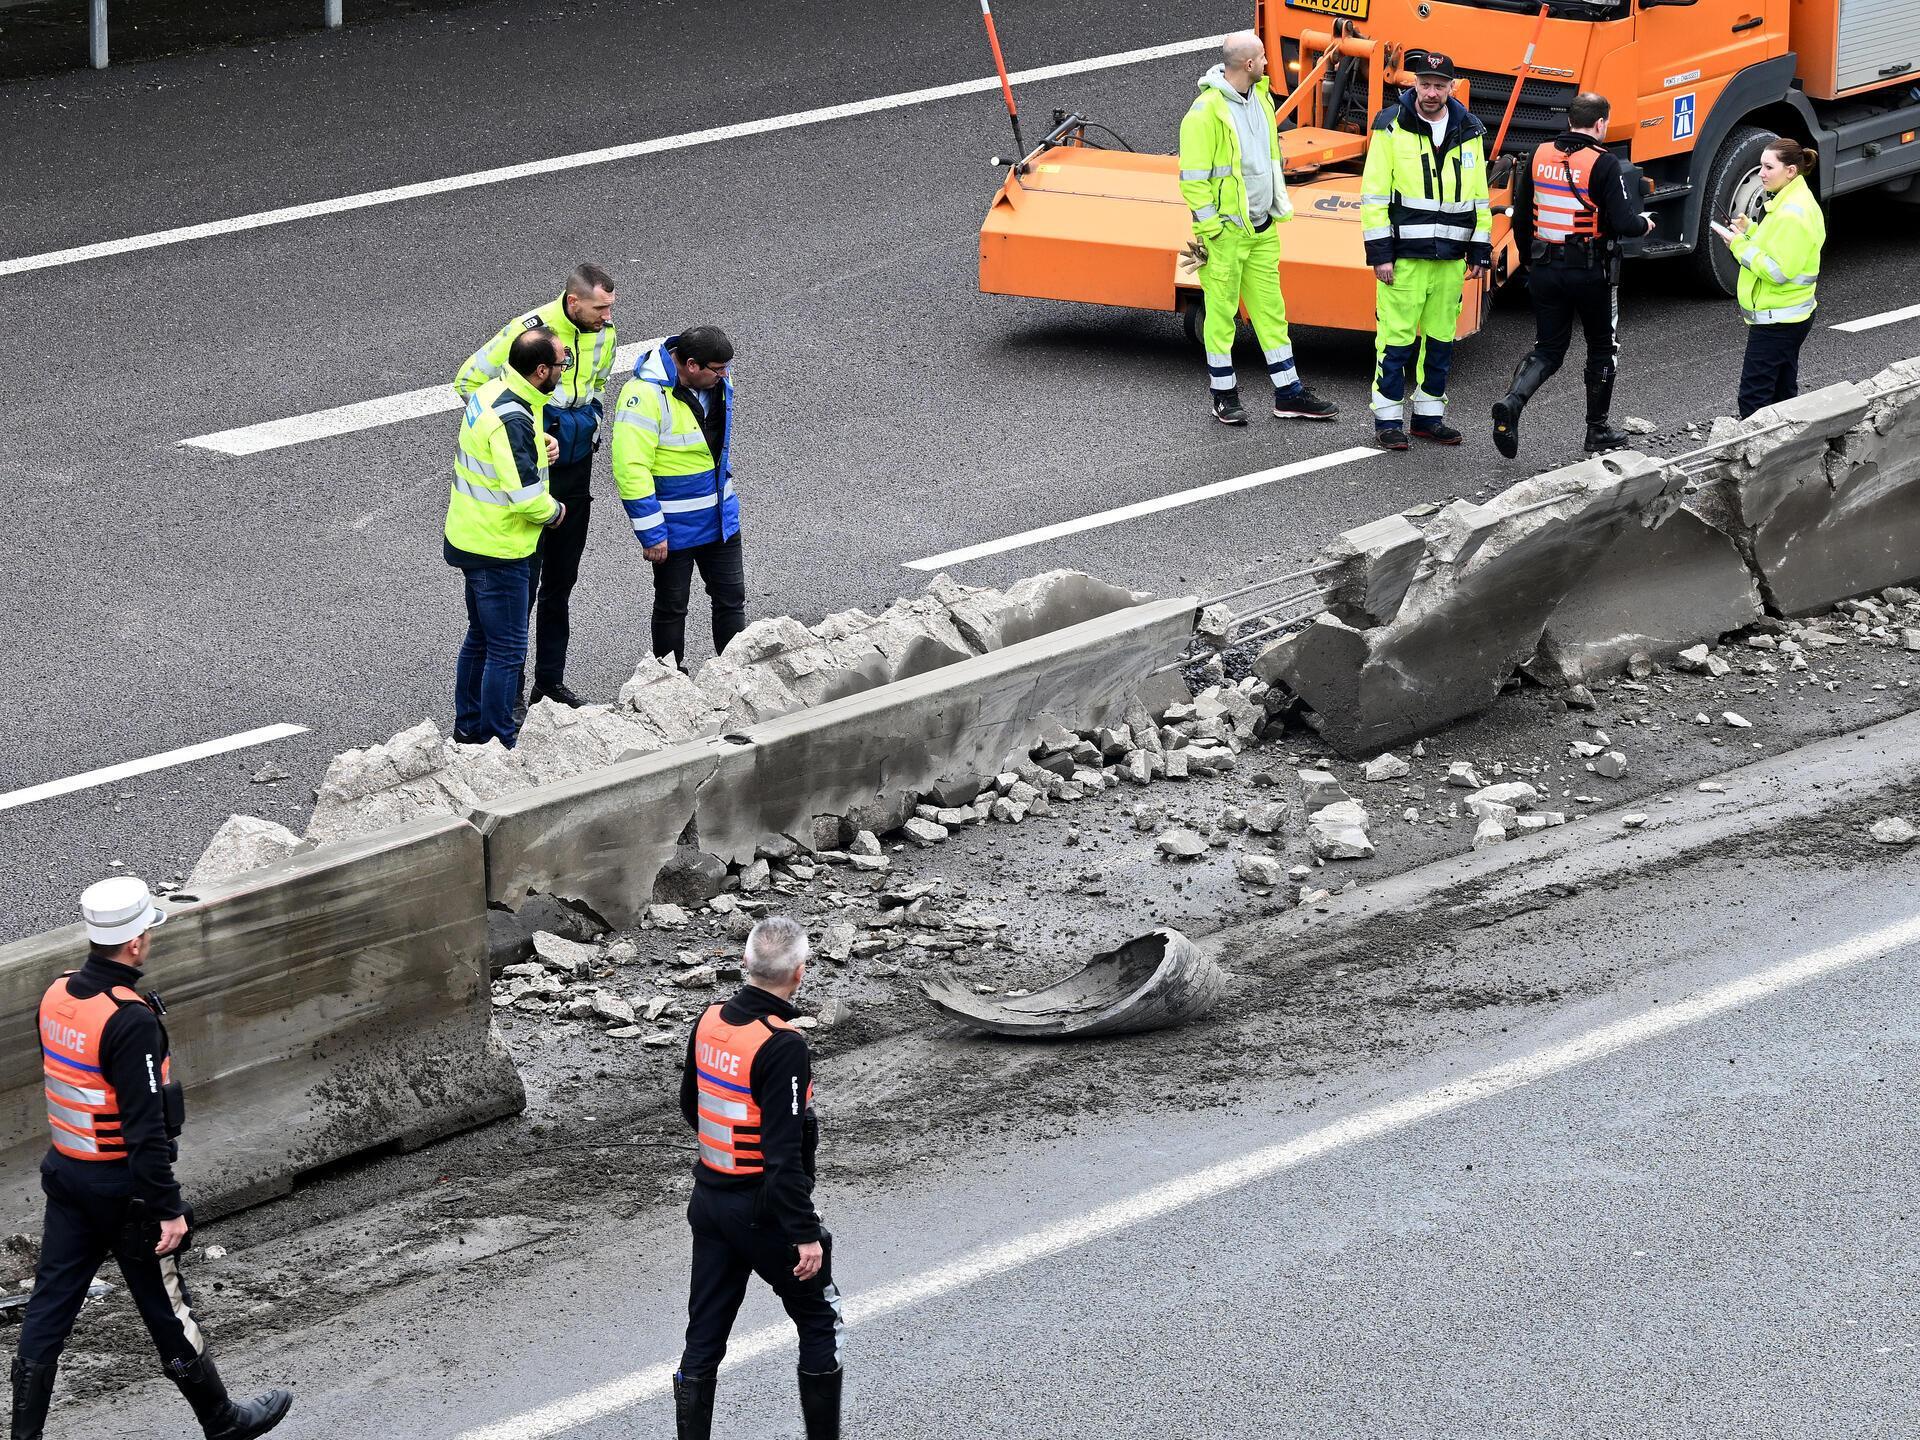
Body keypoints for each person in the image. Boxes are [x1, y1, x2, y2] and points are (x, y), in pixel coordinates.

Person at [11, 878, 292, 1440]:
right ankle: (222, 1421)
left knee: (48, 1309)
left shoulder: (57, 995)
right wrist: (167, 1207)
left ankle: (23, 1436)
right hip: (124, 1190)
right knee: (166, 1308)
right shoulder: (130, 1018)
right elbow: (144, 1129)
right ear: (136, 942)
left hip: (68, 1175)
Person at [674, 917, 843, 1440]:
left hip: (709, 1202)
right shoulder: (782, 1044)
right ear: (800, 973)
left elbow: (691, 1105)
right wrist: (804, 1234)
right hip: (762, 1211)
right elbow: (783, 1155)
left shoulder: (709, 1019)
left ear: (745, 963)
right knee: (819, 1320)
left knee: (703, 1342)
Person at [454, 264, 619, 707]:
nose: (607, 317)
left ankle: (549, 685)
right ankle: (509, 693)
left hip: (576, 469)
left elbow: (599, 384)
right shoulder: (529, 331)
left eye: (610, 308)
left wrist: (593, 423)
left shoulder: (605, 333)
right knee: (522, 587)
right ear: (573, 302)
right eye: (600, 309)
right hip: (535, 470)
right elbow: (468, 380)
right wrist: (524, 434)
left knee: (561, 583)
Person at [1177, 30, 1338, 426]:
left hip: (1262, 229)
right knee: (1221, 316)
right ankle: (1224, 396)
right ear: (1248, 64)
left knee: (1271, 314)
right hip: (1226, 236)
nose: (1268, 63)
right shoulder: (1204, 113)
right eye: (1263, 58)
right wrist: (1213, 231)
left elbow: (1267, 159)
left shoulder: (1262, 97)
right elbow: (1193, 181)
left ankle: (1289, 393)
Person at [1492, 92, 1656, 457]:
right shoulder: (1604, 162)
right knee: (1602, 346)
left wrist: (1530, 261)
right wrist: (1644, 224)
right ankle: (1597, 430)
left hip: (1545, 268)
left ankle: (1513, 402)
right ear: (1600, 123)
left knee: (1548, 349)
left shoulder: (1538, 154)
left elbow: (1522, 217)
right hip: (1590, 272)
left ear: (1569, 121)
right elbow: (1624, 222)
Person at [1359, 50, 1492, 451]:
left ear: (1452, 88)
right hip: (1404, 259)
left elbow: (1479, 197)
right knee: (1395, 343)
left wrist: (1480, 250)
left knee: (1440, 341)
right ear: (1414, 84)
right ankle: (1387, 421)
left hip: (1450, 259)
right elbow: (1374, 196)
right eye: (1425, 84)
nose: (1431, 92)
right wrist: (1380, 254)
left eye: (1439, 85)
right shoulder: (1390, 126)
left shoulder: (1470, 130)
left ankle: (1428, 417)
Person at [444, 327, 569, 748]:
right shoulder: (514, 417)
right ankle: (499, 740)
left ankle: (469, 728)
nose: (564, 370)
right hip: (501, 548)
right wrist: (556, 512)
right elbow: (526, 498)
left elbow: (501, 452)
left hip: (471, 537)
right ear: (540, 371)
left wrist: (538, 440)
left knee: (480, 638)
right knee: (507, 650)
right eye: (561, 363)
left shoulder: (495, 391)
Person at [611, 328, 747, 668]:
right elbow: (631, 469)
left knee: (731, 600)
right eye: (718, 369)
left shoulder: (716, 383)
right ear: (691, 365)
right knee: (672, 607)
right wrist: (651, 533)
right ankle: (668, 682)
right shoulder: (643, 395)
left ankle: (736, 676)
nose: (725, 375)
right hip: (673, 528)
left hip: (720, 518)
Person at [1721, 137, 1825, 418]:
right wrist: (1750, 231)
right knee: (1782, 393)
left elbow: (1778, 271)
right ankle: (1788, 442)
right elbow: (1779, 246)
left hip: (1777, 319)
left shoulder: (1791, 213)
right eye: (1760, 166)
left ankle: (1760, 446)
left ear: (1790, 171)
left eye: (1768, 167)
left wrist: (1738, 246)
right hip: (1790, 315)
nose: (1761, 174)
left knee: (1753, 399)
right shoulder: (1793, 201)